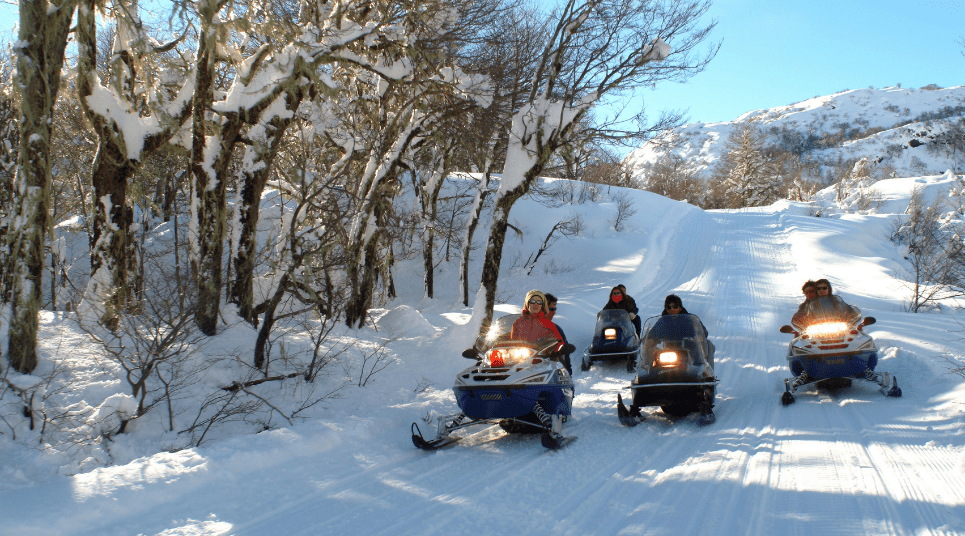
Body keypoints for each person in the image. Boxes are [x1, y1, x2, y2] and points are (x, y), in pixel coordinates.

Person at [796, 278, 860, 327]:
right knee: (801, 340)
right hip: (817, 331)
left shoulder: (835, 301)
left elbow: (848, 311)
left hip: (838, 328)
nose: (821, 290)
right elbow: (803, 318)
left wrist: (850, 320)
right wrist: (803, 325)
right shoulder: (808, 306)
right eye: (819, 289)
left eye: (824, 288)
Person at [544, 293, 572, 375]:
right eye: (551, 309)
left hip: (553, 374)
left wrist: (568, 374)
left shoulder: (557, 330)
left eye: (555, 309)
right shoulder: (528, 328)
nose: (554, 312)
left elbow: (565, 355)